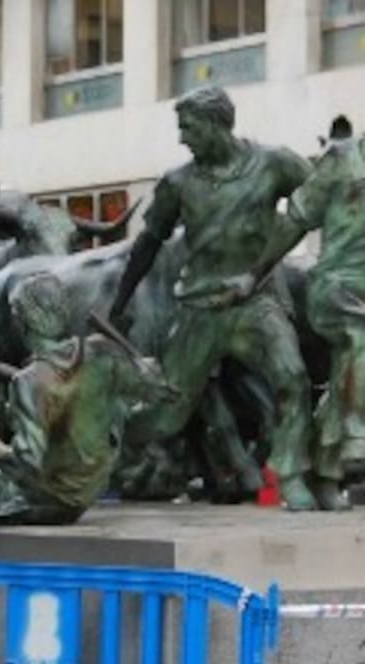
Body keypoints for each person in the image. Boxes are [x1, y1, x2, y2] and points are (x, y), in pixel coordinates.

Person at [106, 85, 321, 510]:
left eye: (189, 128)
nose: (182, 137)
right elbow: (148, 243)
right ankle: (96, 441)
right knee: (165, 416)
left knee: (292, 378)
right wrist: (118, 305)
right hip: (198, 309)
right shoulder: (177, 183)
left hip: (256, 303)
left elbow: (318, 199)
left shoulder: (274, 164)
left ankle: (293, 475)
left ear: (218, 124)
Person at [218, 117, 365, 509]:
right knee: (360, 338)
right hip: (338, 285)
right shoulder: (342, 160)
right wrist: (253, 274)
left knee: (343, 377)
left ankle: (325, 470)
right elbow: (294, 222)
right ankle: (353, 437)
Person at [0, 274, 173, 526]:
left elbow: (28, 464)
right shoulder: (100, 352)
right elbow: (156, 392)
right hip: (96, 484)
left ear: (23, 322)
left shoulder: (28, 382)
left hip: (56, 498)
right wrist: (150, 373)